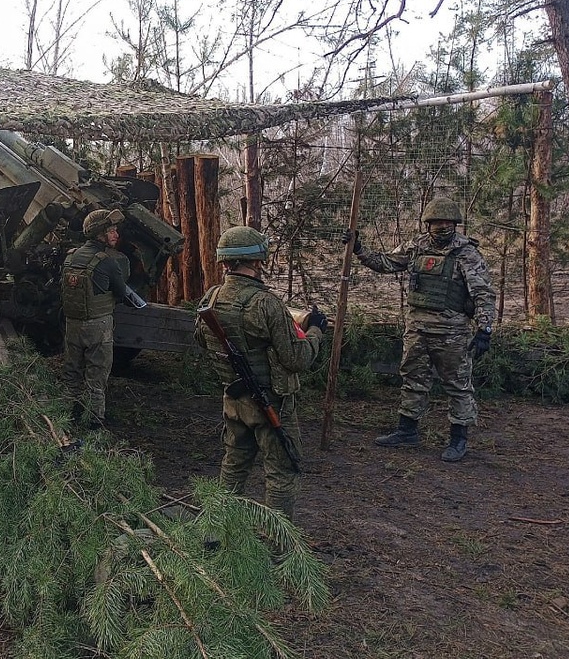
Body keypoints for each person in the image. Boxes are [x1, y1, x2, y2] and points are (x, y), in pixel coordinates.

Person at [346, 195, 496, 462]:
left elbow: (483, 293)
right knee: (412, 379)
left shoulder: (466, 253)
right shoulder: (416, 247)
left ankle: (459, 439)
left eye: (446, 222)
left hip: (452, 333)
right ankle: (407, 431)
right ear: (427, 223)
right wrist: (359, 249)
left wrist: (484, 329)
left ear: (455, 224)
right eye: (436, 221)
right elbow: (386, 263)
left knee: (458, 385)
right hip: (417, 329)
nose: (441, 226)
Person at [194, 226, 326, 521]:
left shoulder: (211, 298)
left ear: (225, 261)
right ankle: (280, 547)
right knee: (282, 472)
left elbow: (202, 340)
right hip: (270, 403)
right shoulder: (266, 304)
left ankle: (216, 531)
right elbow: (296, 358)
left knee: (234, 464)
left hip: (234, 399)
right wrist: (316, 330)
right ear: (256, 261)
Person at [61, 208, 132, 429]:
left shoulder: (70, 257)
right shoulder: (109, 262)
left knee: (72, 373)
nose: (116, 235)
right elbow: (121, 293)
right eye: (111, 230)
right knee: (97, 376)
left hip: (72, 325)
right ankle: (94, 422)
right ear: (100, 233)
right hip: (98, 326)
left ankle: (66, 417)